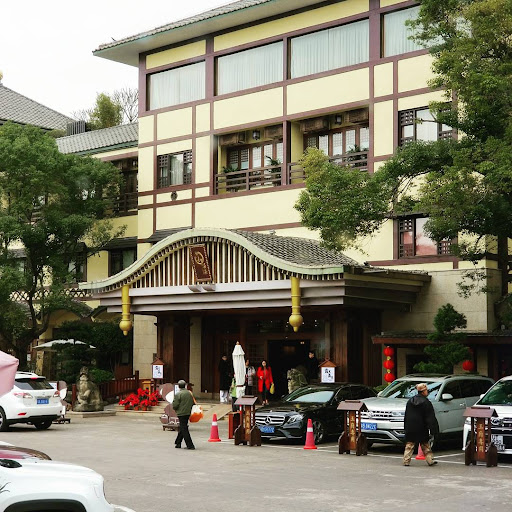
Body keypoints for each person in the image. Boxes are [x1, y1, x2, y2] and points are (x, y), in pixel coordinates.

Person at [403, 382, 439, 466]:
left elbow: (407, 415)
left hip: (411, 426)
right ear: (423, 391)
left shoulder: (410, 401)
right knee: (425, 444)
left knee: (409, 444)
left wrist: (406, 427)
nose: (427, 392)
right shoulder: (426, 402)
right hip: (422, 427)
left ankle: (406, 460)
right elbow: (430, 417)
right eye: (426, 390)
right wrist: (433, 429)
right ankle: (430, 460)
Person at [172, 380, 195, 450]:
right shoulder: (189, 393)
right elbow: (193, 402)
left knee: (184, 428)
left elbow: (175, 405)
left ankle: (190, 445)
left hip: (181, 413)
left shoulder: (178, 394)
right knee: (183, 427)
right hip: (188, 412)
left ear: (179, 386)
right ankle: (178, 442)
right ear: (185, 385)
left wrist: (175, 409)